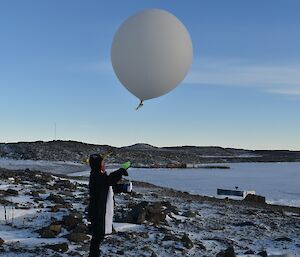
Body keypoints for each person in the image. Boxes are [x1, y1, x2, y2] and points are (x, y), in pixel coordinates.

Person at [88, 153, 128, 257]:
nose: (105, 165)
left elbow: (109, 187)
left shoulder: (99, 175)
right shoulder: (97, 175)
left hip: (100, 209)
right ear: (98, 165)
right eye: (103, 163)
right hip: (97, 211)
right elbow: (108, 181)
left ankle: (94, 254)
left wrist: (123, 188)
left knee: (99, 236)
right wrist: (121, 171)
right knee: (98, 236)